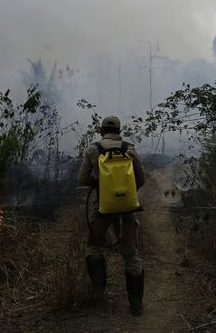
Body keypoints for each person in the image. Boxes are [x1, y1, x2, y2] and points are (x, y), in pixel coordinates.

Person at [77, 115, 146, 316]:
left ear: (101, 130)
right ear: (119, 130)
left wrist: (102, 184)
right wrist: (125, 192)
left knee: (93, 247)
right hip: (127, 208)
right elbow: (140, 179)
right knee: (131, 255)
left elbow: (81, 179)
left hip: (103, 209)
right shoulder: (130, 149)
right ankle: (135, 305)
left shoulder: (93, 149)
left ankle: (99, 290)